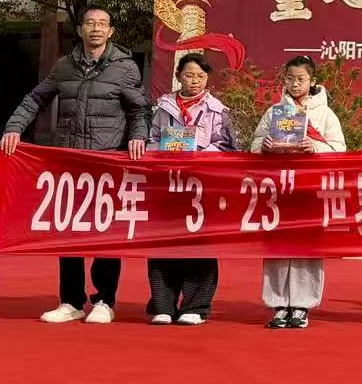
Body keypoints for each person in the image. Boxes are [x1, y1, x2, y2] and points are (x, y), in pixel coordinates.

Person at [1, 5, 150, 325]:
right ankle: (70, 301)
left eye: (102, 24)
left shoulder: (125, 68)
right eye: (90, 23)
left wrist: (138, 136)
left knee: (106, 233)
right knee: (68, 231)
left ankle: (105, 300)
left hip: (106, 161)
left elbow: (139, 109)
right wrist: (14, 128)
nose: (96, 28)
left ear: (111, 32)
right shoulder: (64, 66)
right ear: (81, 29)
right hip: (69, 161)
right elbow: (35, 99)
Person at [252, 55, 346, 330]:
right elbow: (254, 143)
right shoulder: (274, 112)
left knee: (307, 246)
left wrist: (315, 147)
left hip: (310, 188)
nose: (295, 84)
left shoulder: (325, 114)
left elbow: (340, 149)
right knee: (277, 245)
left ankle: (302, 305)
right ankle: (279, 304)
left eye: (301, 79)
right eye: (290, 79)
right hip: (279, 189)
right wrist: (264, 145)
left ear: (312, 81)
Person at [146, 53, 239, 326]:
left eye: (200, 76)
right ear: (178, 77)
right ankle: (163, 305)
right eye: (189, 75)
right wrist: (164, 151)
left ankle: (196, 306)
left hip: (202, 187)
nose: (195, 81)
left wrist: (198, 154)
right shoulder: (163, 107)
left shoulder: (217, 110)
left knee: (200, 244)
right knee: (163, 243)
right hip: (167, 184)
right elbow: (151, 139)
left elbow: (227, 146)